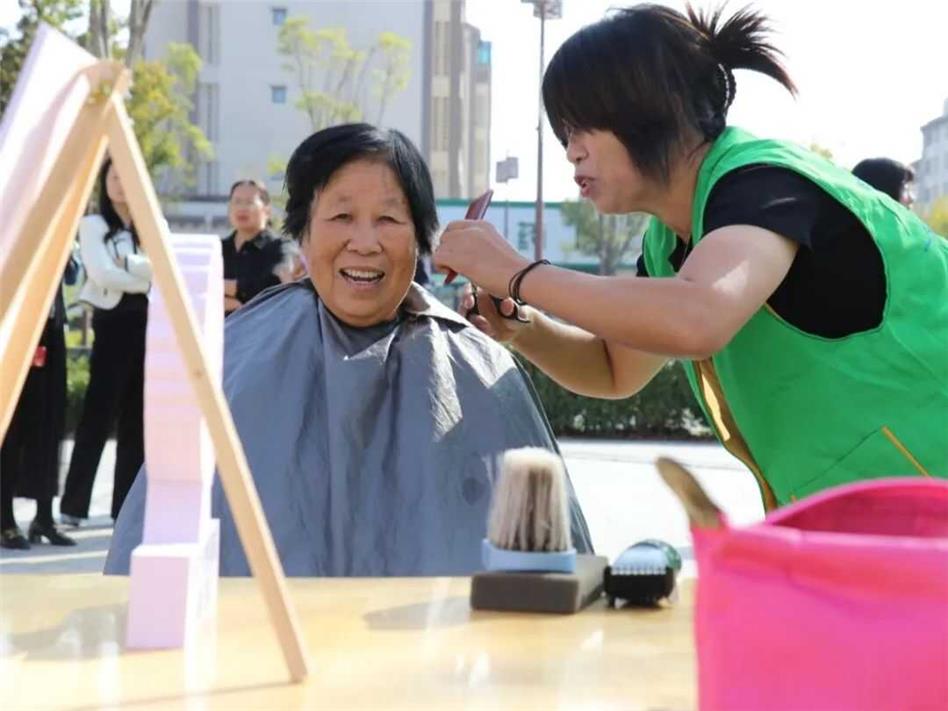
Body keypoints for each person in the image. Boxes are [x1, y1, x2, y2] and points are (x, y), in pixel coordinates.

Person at [433, 4, 948, 510]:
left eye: (584, 126)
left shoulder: (762, 182)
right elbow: (614, 368)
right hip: (874, 522)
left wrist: (517, 272)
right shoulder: (669, 241)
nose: (572, 151)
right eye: (565, 133)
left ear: (654, 107)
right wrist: (525, 329)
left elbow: (699, 316)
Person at [106, 123, 591, 576]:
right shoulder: (238, 351)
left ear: (421, 238)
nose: (364, 242)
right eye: (341, 216)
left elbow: (543, 569)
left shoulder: (476, 362)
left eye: (388, 219)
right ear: (303, 232)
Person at [60, 158, 151, 525]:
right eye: (113, 177)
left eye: (126, 176)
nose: (120, 184)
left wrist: (127, 266)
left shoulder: (152, 224)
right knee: (97, 414)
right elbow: (101, 274)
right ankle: (73, 507)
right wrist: (142, 272)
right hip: (112, 324)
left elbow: (164, 270)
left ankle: (124, 510)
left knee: (136, 420)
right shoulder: (93, 224)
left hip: (148, 323)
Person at [0, 268, 77, 549]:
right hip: (15, 326)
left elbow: (71, 274)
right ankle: (5, 521)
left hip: (51, 328)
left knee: (49, 424)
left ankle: (44, 518)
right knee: (12, 428)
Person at [222, 179, 290, 314]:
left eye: (249, 202)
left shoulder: (281, 247)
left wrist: (220, 287)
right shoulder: (217, 249)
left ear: (267, 210)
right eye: (237, 201)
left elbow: (273, 284)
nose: (242, 208)